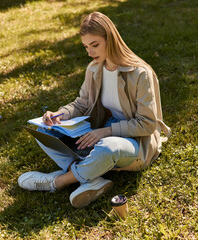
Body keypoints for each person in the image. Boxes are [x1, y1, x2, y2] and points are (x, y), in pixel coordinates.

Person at [18, 12, 171, 208]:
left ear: (111, 39)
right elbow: (82, 103)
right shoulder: (94, 69)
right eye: (86, 46)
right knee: (44, 131)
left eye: (95, 45)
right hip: (101, 131)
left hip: (134, 141)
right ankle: (91, 179)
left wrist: (106, 131)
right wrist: (58, 115)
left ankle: (58, 182)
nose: (90, 52)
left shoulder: (140, 73)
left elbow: (147, 124)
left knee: (108, 147)